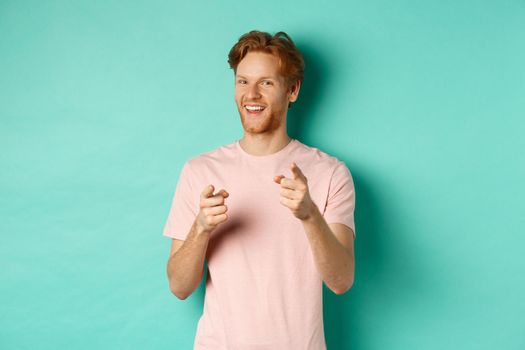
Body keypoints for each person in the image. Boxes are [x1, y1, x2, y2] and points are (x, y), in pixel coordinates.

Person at [163, 30, 356, 350]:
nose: (251, 94)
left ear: (292, 90)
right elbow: (179, 286)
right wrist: (200, 228)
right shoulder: (200, 171)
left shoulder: (330, 173)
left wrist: (310, 216)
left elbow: (341, 281)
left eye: (266, 83)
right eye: (242, 81)